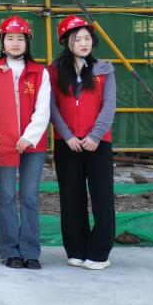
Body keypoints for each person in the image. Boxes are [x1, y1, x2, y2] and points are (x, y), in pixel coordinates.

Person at [49, 15, 117, 270]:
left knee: (102, 197)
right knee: (71, 197)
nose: (84, 43)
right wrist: (67, 136)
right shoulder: (54, 71)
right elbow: (51, 106)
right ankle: (76, 249)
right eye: (77, 39)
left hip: (98, 144)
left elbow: (109, 105)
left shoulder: (104, 70)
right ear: (66, 42)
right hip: (67, 144)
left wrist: (95, 136)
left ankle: (99, 253)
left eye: (87, 38)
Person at [0, 15, 51, 270]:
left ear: (27, 42)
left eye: (20, 39)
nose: (15, 43)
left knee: (30, 196)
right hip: (3, 143)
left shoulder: (40, 72)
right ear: (2, 42)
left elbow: (43, 109)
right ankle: (9, 250)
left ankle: (30, 251)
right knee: (5, 195)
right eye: (10, 38)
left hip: (32, 144)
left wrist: (28, 137)